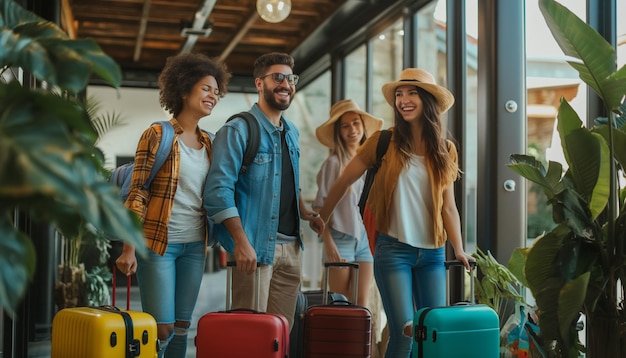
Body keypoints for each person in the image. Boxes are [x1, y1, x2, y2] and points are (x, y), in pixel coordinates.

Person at [310, 68, 474, 357]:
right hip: (393, 250)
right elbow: (343, 180)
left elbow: (449, 206)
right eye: (399, 94)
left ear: (428, 99)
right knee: (404, 332)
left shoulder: (446, 149)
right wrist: (323, 216)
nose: (404, 100)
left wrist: (458, 248)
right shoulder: (383, 141)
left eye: (412, 93)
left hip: (433, 254)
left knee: (431, 334)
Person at [115, 52, 231, 358]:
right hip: (157, 245)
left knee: (182, 326)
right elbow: (138, 192)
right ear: (183, 89)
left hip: (195, 246)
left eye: (216, 92)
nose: (213, 96)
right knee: (161, 328)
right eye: (206, 88)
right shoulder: (157, 135)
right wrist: (128, 248)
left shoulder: (210, 142)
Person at [203, 52, 317, 330]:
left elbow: (289, 180)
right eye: (277, 77)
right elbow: (218, 191)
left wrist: (305, 211)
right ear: (259, 83)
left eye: (290, 78)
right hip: (254, 250)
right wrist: (241, 243)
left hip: (291, 248)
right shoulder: (238, 130)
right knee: (251, 337)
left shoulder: (291, 131)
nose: (286, 84)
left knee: (281, 337)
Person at [313, 99, 383, 307]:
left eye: (356, 123)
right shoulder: (333, 164)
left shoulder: (372, 163)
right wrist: (329, 243)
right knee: (340, 303)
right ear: (338, 132)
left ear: (363, 126)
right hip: (339, 238)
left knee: (362, 303)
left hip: (366, 239)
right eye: (345, 125)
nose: (352, 129)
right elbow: (319, 207)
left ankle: (363, 341)